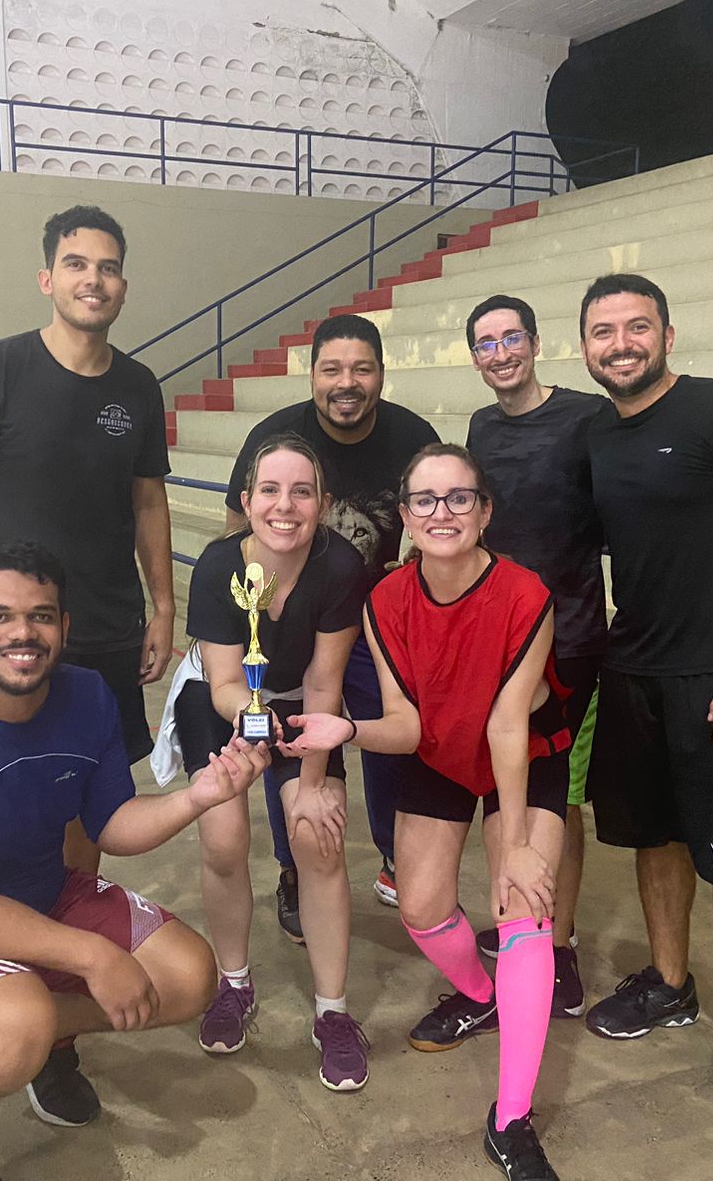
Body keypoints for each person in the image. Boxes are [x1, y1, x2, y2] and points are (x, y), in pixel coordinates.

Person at [0, 541, 270, 1181]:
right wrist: (93, 957)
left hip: (44, 892)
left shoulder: (87, 696)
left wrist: (198, 797)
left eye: (41, 616)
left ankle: (43, 1036)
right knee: (13, 1030)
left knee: (188, 978)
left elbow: (112, 823)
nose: (22, 633)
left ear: (64, 627)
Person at [288, 444, 572, 1181]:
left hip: (522, 751)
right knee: (419, 906)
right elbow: (408, 726)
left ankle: (511, 1120)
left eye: (458, 498)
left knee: (523, 905)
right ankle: (482, 996)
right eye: (425, 500)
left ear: (484, 511)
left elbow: (507, 725)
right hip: (441, 747)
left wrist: (516, 846)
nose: (441, 513)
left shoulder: (525, 594)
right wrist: (346, 731)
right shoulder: (385, 601)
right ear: (407, 516)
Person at [577, 273, 713, 1141]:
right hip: (632, 671)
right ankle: (671, 985)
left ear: (668, 335)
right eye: (603, 331)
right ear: (585, 347)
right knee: (656, 839)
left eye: (637, 327)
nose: (621, 344)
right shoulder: (597, 433)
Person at [0, 204, 174, 915]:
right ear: (47, 279)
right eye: (76, 264)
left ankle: (66, 930)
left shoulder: (138, 387)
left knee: (85, 798)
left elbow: (148, 503)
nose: (93, 279)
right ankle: (3, 938)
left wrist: (163, 608)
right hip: (12, 628)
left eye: (108, 268)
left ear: (123, 286)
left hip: (106, 627)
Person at [224, 313, 438, 937]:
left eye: (361, 369)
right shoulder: (275, 436)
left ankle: (395, 856)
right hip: (294, 628)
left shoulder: (412, 437)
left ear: (381, 374)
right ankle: (293, 867)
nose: (347, 383)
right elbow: (239, 532)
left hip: (377, 632)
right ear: (312, 375)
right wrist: (252, 618)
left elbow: (435, 520)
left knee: (389, 739)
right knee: (287, 741)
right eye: (332, 369)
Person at [174, 434, 369, 1089]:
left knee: (317, 837)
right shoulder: (217, 566)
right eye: (270, 490)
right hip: (224, 701)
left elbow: (324, 681)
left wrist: (311, 781)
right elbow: (227, 682)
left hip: (305, 703)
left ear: (323, 504)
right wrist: (253, 726)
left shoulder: (340, 567)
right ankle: (233, 983)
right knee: (224, 839)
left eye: (301, 492)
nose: (285, 506)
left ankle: (333, 1012)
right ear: (247, 500)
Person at [463, 294, 608, 1020]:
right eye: (486, 344)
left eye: (510, 337)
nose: (501, 353)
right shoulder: (481, 427)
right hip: (498, 646)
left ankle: (561, 944)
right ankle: (523, 919)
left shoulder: (585, 418)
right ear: (475, 358)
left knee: (559, 800)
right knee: (506, 794)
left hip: (571, 646)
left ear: (535, 342)